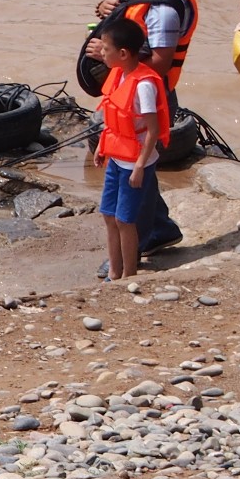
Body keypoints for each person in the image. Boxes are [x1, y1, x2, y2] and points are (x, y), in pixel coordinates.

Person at [92, 0, 197, 255]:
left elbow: (161, 63)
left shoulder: (165, 10)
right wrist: (109, 10)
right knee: (140, 167)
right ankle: (161, 228)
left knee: (137, 166)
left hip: (149, 96)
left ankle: (141, 240)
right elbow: (131, 22)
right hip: (131, 91)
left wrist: (112, 60)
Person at [92, 17, 166, 283]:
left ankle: (129, 275)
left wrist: (138, 168)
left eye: (106, 49)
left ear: (123, 53)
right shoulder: (118, 75)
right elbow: (113, 118)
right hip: (116, 158)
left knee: (125, 220)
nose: (102, 52)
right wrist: (102, 146)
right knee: (108, 215)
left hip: (136, 164)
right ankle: (114, 272)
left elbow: (153, 130)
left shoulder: (143, 85)